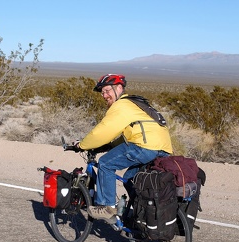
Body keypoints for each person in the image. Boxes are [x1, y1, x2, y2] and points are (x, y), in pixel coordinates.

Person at [73, 74, 173, 223]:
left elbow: (103, 130)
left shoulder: (122, 105)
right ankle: (142, 212)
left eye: (107, 90)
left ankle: (107, 207)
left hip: (145, 146)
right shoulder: (135, 105)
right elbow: (124, 137)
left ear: (119, 88)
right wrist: (104, 147)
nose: (104, 95)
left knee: (105, 164)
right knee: (129, 179)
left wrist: (82, 145)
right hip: (162, 149)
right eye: (102, 92)